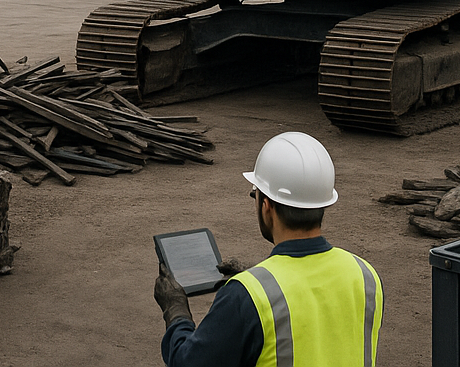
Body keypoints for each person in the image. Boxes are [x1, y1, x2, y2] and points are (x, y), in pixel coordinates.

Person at [154, 131, 382, 366]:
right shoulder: (366, 275)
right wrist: (258, 280)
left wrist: (175, 309)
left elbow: (187, 362)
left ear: (266, 206)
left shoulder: (244, 297)